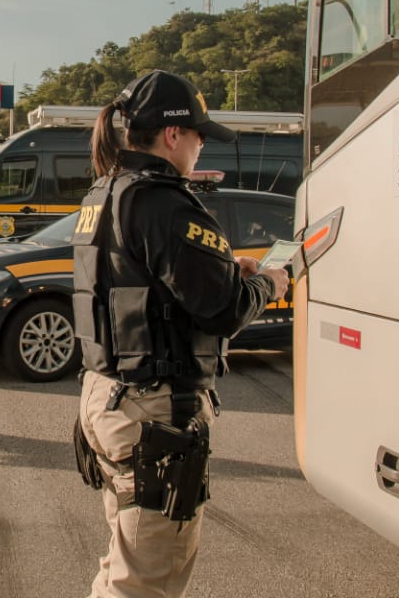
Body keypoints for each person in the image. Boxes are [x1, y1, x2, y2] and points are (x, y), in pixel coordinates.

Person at [71, 70, 289, 597]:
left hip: (105, 397)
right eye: (198, 135)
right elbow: (225, 310)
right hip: (152, 414)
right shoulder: (164, 202)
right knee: (145, 583)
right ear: (173, 135)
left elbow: (140, 285)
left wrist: (223, 266)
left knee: (124, 565)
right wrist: (269, 281)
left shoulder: (105, 191)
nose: (199, 146)